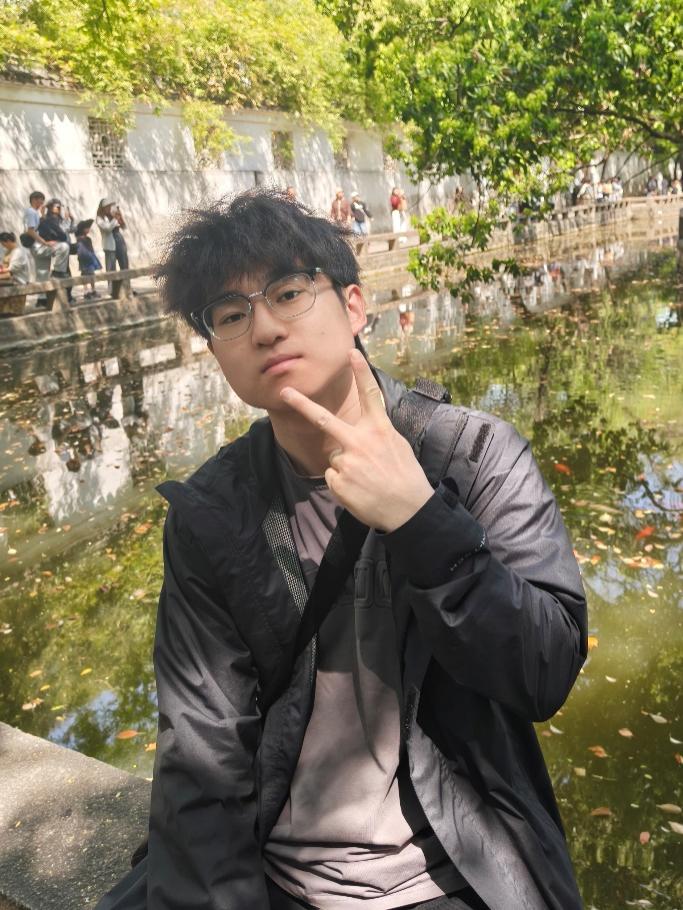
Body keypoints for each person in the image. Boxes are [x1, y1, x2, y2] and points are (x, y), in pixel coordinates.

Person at [96, 189, 587, 910]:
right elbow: (201, 756)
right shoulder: (211, 513)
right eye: (230, 315)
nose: (264, 328)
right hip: (277, 873)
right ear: (215, 349)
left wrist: (421, 519)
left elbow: (544, 671)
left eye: (288, 292)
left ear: (354, 306)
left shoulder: (474, 456)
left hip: (451, 873)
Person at [22, 190, 69, 307]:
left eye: (43, 200)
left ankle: (41, 299)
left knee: (42, 273)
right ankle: (58, 272)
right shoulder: (31, 212)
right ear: (34, 200)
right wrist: (45, 243)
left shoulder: (34, 213)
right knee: (63, 247)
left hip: (37, 246)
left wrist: (42, 215)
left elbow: (40, 227)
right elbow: (31, 231)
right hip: (38, 246)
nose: (42, 203)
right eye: (40, 200)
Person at [97, 199, 131, 294]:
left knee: (124, 265)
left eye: (110, 206)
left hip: (119, 241)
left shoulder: (113, 216)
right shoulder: (100, 218)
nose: (110, 208)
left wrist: (120, 218)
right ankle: (112, 290)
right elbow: (107, 228)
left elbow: (124, 227)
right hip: (109, 244)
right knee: (111, 268)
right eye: (108, 207)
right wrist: (115, 219)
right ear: (103, 208)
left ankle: (127, 288)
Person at [0, 231, 34, 315]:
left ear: (8, 241)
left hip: (17, 279)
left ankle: (8, 310)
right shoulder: (10, 251)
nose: (3, 246)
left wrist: (3, 270)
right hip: (9, 276)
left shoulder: (18, 252)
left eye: (3, 243)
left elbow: (12, 269)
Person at [75, 219, 102, 300]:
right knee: (85, 276)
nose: (88, 229)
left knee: (91, 275)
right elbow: (80, 251)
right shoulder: (80, 240)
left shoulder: (88, 239)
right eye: (87, 228)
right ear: (83, 229)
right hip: (84, 260)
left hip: (90, 260)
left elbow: (91, 250)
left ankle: (93, 290)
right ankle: (86, 291)